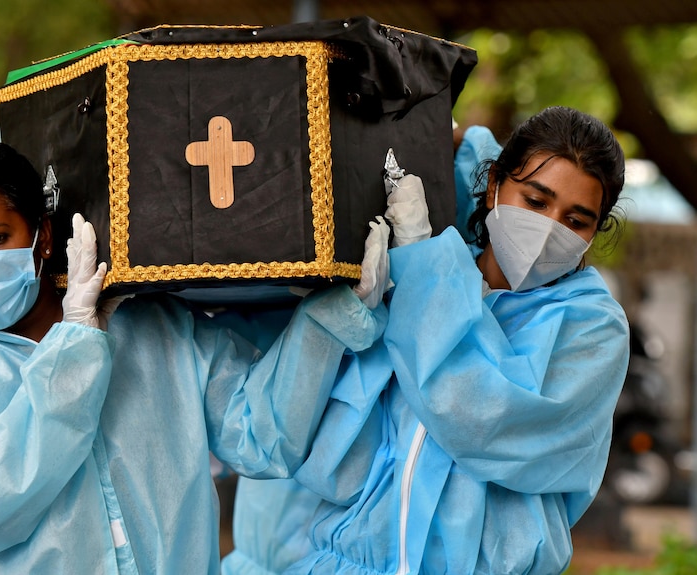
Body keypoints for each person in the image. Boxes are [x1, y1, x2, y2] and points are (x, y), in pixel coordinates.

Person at [0, 141, 390, 574]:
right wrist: (77, 341)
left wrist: (333, 317)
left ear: (41, 234)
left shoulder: (151, 326)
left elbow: (264, 436)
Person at [223, 106, 630, 575]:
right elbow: (324, 441)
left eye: (575, 220)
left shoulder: (592, 325)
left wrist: (420, 256)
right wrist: (351, 315)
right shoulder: (408, 279)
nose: (549, 230)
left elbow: (484, 418)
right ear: (495, 184)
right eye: (536, 202)